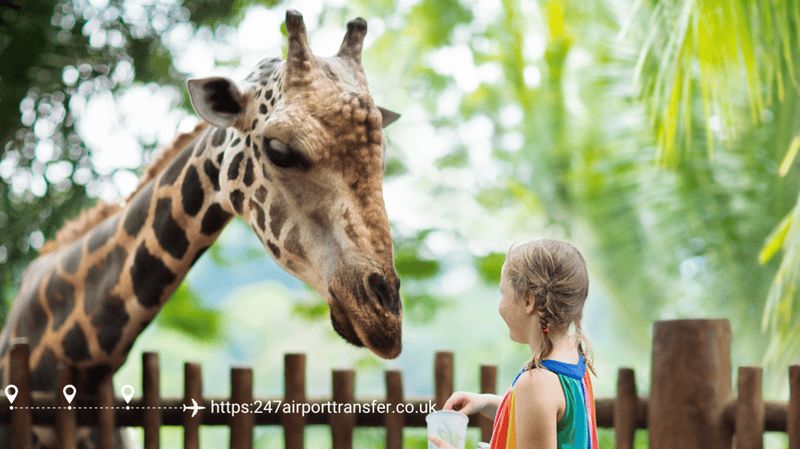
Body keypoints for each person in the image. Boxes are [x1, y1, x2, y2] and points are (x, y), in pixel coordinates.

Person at [429, 238, 599, 449]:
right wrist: (486, 402)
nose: (500, 304)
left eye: (503, 293)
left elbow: (537, 410)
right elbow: (537, 421)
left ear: (528, 301)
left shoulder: (537, 383)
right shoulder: (573, 358)